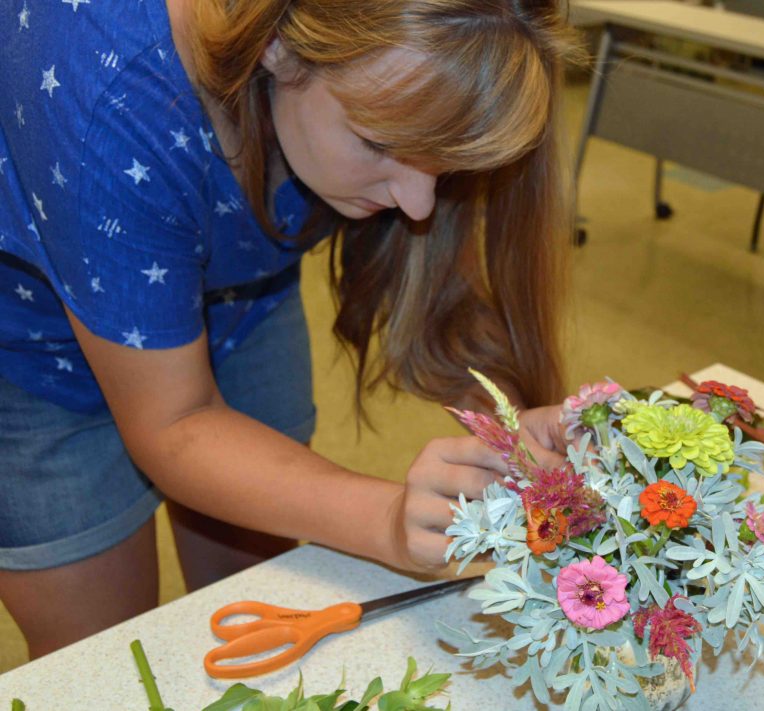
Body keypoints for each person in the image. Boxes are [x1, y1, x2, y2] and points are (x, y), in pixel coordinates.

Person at [0, 0, 578, 660]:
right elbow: (175, 422)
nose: (420, 205)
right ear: (277, 43)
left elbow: (448, 297)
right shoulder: (109, 93)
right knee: (104, 661)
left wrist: (509, 434)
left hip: (241, 292)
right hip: (29, 349)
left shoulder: (371, 91)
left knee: (252, 601)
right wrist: (387, 521)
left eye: (444, 168)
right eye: (380, 144)